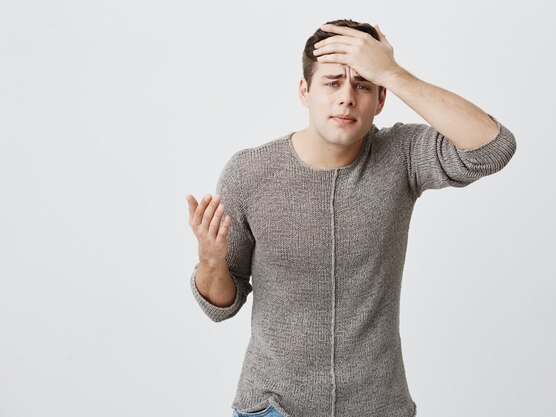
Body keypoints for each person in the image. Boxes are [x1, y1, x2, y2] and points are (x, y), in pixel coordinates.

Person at [186, 18, 517, 417]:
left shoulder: (403, 155)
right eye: (331, 83)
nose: (347, 98)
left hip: (378, 406)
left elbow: (493, 148)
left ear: (380, 99)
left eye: (362, 84)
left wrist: (392, 72)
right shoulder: (248, 173)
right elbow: (223, 303)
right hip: (273, 407)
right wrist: (210, 263)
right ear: (305, 91)